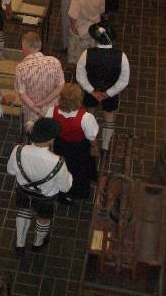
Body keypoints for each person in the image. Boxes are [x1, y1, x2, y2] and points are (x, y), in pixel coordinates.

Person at [7, 118, 72, 255]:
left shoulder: (18, 150)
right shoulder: (58, 162)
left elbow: (11, 171)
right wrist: (69, 177)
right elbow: (65, 188)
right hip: (46, 198)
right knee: (43, 219)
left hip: (23, 191)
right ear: (51, 139)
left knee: (23, 212)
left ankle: (20, 244)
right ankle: (37, 243)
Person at [76, 22, 130, 154]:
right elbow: (124, 80)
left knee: (90, 115)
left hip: (91, 92)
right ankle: (105, 146)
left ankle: (90, 139)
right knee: (109, 117)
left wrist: (92, 91)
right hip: (111, 93)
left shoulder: (86, 54)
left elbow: (80, 76)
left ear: (96, 40)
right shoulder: (121, 56)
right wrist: (109, 93)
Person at [46, 83, 99, 203]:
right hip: (79, 149)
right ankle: (78, 192)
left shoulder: (51, 111)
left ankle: (63, 192)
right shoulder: (85, 118)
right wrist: (94, 147)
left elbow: (50, 130)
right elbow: (92, 137)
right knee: (79, 171)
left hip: (60, 145)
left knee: (63, 169)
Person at [15, 32, 65, 130]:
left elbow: (22, 95)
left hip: (32, 112)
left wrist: (37, 110)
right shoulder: (54, 61)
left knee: (34, 134)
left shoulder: (20, 68)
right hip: (52, 110)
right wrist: (44, 102)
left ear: (25, 48)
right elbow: (60, 86)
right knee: (52, 133)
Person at [67, 0, 105, 64]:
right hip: (94, 29)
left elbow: (73, 15)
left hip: (80, 29)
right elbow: (101, 11)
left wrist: (73, 27)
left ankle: (79, 69)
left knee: (78, 55)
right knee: (90, 55)